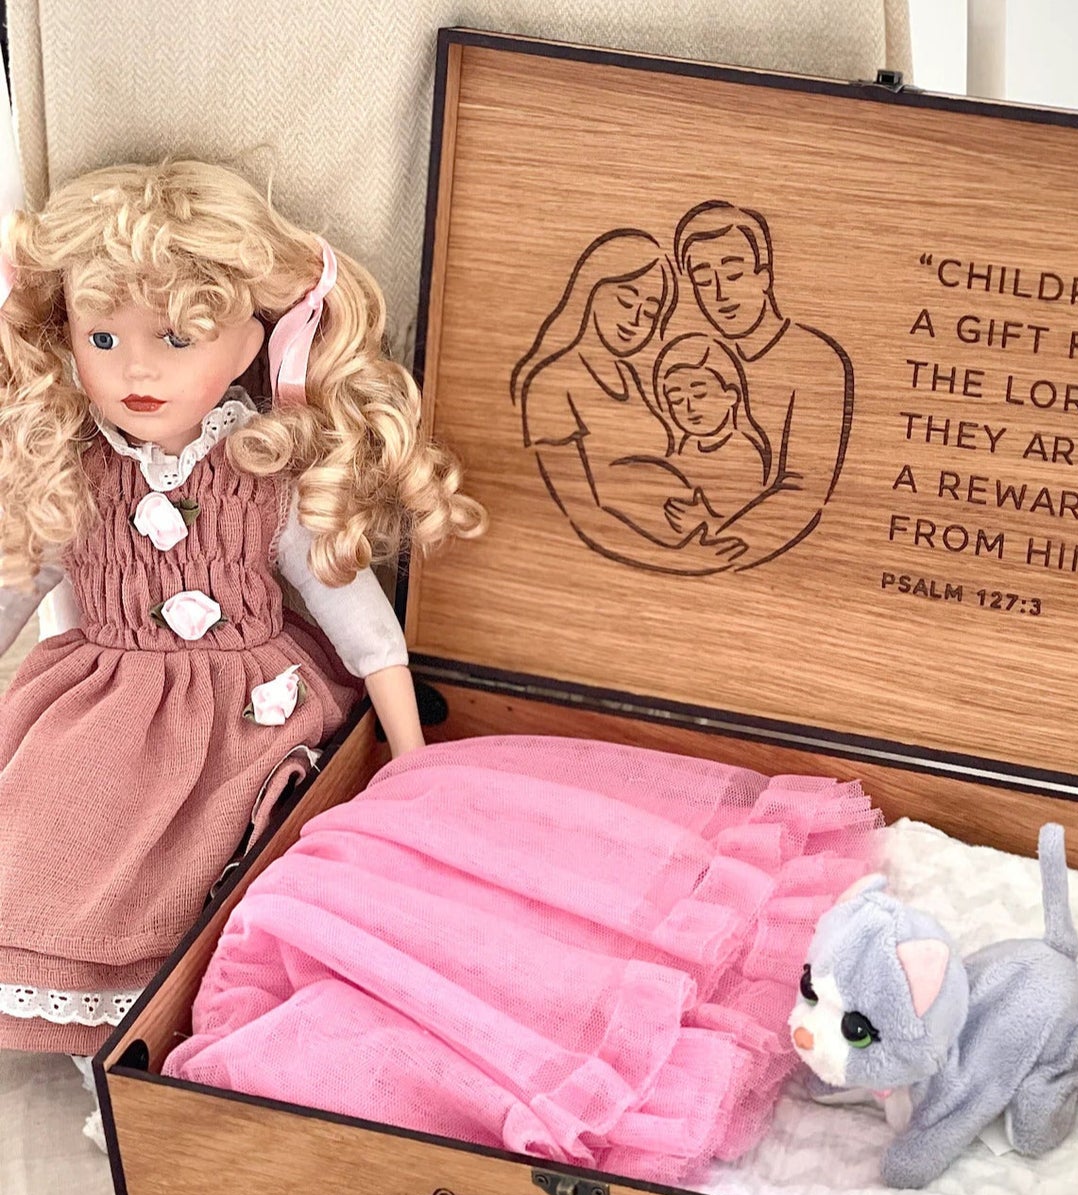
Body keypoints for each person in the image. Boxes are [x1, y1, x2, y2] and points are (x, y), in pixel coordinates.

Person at [0, 159, 486, 1057]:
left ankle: (174, 1019)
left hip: (250, 706)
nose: (135, 370)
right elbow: (19, 586)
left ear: (257, 340)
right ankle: (91, 1020)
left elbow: (357, 619)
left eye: (177, 338)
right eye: (102, 339)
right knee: (49, 830)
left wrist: (410, 760)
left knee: (237, 851)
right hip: (95, 703)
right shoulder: (75, 467)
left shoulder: (263, 467)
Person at [511, 230, 741, 571]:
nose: (636, 322)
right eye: (626, 300)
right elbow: (581, 514)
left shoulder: (630, 376)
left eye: (650, 312)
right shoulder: (553, 383)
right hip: (629, 565)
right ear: (592, 289)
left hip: (681, 552)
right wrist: (674, 558)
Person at [666, 201, 854, 567]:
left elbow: (801, 492)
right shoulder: (698, 360)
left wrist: (717, 540)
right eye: (703, 280)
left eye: (733, 274)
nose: (719, 295)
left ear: (764, 275)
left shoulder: (817, 361)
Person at [652, 333, 769, 515]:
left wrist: (702, 519)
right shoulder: (687, 446)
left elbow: (746, 514)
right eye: (676, 400)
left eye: (699, 394)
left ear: (730, 396)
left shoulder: (744, 452)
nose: (688, 408)